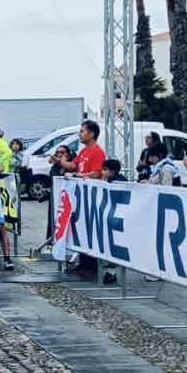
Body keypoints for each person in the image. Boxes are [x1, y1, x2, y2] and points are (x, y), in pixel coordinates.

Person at [70, 120, 110, 282]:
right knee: (80, 228)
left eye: (82, 131)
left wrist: (78, 176)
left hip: (91, 198)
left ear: (92, 133)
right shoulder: (83, 151)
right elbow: (73, 166)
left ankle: (91, 266)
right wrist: (59, 162)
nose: (80, 134)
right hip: (80, 198)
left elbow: (96, 173)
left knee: (90, 230)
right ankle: (83, 261)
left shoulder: (97, 152)